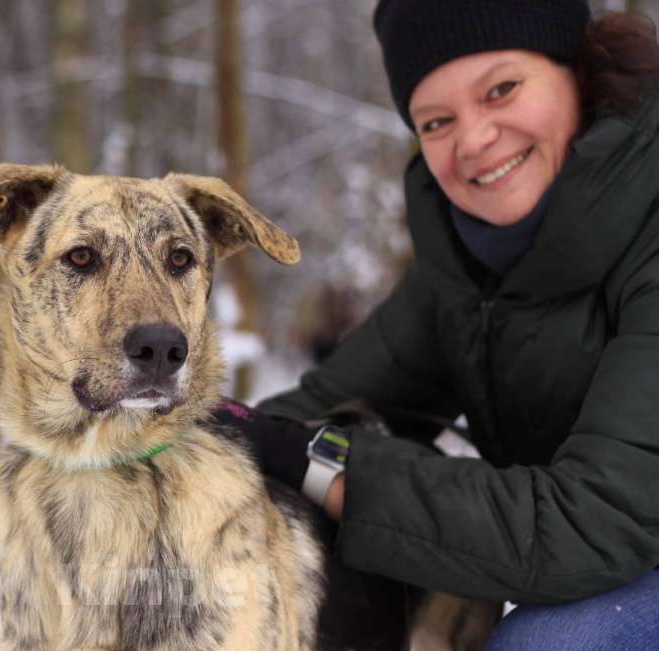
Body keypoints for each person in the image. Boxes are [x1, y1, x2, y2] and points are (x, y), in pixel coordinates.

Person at [216, 1, 659, 648]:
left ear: (579, 71)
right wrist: (200, 449)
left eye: (502, 89)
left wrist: (331, 470)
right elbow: (309, 415)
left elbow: (592, 520)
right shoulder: (468, 263)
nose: (474, 139)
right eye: (437, 121)